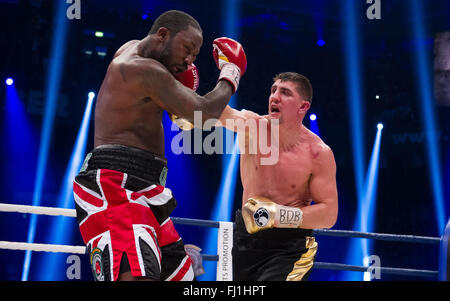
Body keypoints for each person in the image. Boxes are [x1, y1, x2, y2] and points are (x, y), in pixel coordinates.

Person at [72, 10, 247, 281]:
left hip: (145, 190)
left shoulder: (134, 51)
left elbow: (175, 107)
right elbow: (203, 113)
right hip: (116, 189)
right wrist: (230, 73)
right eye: (187, 49)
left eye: (194, 56)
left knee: (183, 278)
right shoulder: (142, 69)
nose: (189, 60)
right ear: (163, 34)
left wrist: (179, 84)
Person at [217, 72, 338, 281]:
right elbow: (214, 112)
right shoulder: (252, 127)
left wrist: (278, 215)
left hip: (290, 246)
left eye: (285, 92)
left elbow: (329, 214)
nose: (275, 97)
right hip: (247, 239)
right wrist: (229, 72)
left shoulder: (318, 152)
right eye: (273, 91)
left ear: (303, 107)